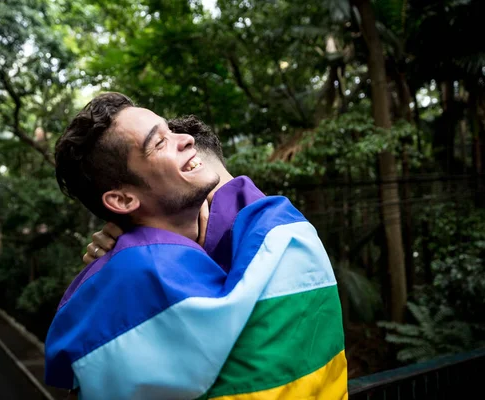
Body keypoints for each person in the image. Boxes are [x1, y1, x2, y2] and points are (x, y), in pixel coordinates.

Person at [45, 92, 347, 399]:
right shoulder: (128, 273)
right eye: (159, 143)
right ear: (122, 200)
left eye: (171, 130)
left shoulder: (258, 241)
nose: (186, 139)